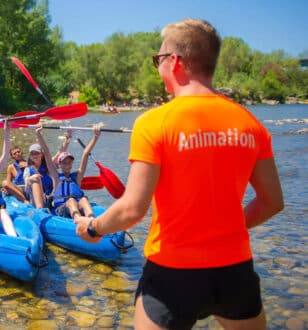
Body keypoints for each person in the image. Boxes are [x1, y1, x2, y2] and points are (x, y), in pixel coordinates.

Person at [75, 19, 284, 330]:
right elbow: (271, 202)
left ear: (174, 62)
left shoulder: (154, 123)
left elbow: (133, 209)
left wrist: (93, 228)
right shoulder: (251, 124)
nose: (157, 67)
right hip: (235, 270)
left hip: (171, 273)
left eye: (158, 59)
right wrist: (225, 228)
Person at [50, 125, 102, 220]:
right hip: (62, 209)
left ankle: (92, 220)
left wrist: (96, 136)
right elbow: (48, 159)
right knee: (71, 201)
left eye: (69, 162)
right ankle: (78, 220)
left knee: (83, 199)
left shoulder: (77, 176)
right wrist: (67, 137)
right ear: (60, 164)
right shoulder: (56, 177)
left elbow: (85, 154)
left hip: (78, 206)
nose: (67, 165)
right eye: (64, 163)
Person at [23, 127, 59, 209]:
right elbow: (26, 188)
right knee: (35, 179)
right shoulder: (28, 170)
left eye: (37, 153)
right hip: (36, 199)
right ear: (30, 156)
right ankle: (40, 210)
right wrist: (30, 179)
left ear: (41, 155)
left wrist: (67, 139)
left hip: (50, 197)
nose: (34, 155)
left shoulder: (49, 166)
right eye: (32, 153)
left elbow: (48, 152)